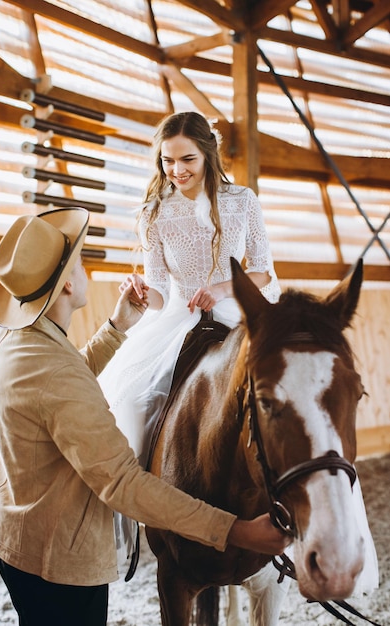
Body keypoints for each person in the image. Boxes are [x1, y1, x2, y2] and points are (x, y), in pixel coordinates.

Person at [98, 111, 379, 593]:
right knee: (131, 402)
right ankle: (146, 522)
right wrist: (145, 293)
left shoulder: (240, 201)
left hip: (238, 311)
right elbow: (163, 291)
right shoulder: (153, 213)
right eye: (167, 161)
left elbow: (264, 271)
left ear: (208, 154)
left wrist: (223, 288)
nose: (176, 170)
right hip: (175, 320)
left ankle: (320, 527)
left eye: (186, 159)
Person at [0, 206, 291, 626]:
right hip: (57, 561)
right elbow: (123, 482)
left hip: (15, 532)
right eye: (79, 262)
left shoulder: (9, 338)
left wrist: (116, 327)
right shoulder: (54, 373)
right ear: (69, 284)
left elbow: (60, 385)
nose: (85, 268)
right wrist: (237, 531)